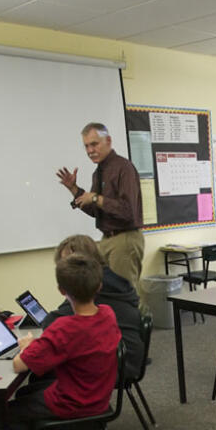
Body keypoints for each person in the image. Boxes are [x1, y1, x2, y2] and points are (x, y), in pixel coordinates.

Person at [4, 250, 121, 430]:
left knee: (6, 413)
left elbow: (19, 365)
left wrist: (26, 347)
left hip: (74, 403)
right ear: (99, 287)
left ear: (61, 291)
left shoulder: (64, 328)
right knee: (25, 392)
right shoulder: (107, 313)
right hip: (98, 396)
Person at [55, 123, 146, 310]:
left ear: (108, 141)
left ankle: (133, 337)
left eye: (94, 144)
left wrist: (96, 198)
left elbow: (128, 211)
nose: (90, 150)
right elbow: (96, 210)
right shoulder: (99, 172)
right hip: (106, 239)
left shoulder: (124, 168)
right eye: (87, 146)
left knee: (124, 297)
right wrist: (74, 189)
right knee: (104, 295)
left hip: (124, 239)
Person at [47, 233, 144, 381]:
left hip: (115, 363)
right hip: (127, 356)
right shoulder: (110, 278)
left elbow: (52, 324)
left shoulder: (90, 285)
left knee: (47, 368)